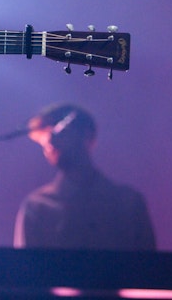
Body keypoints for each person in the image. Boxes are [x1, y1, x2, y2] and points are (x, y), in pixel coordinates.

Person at [14, 103, 156, 251]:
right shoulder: (38, 206)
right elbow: (27, 270)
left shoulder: (128, 203)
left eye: (58, 133)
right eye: (43, 138)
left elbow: (148, 267)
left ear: (86, 135)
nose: (50, 142)